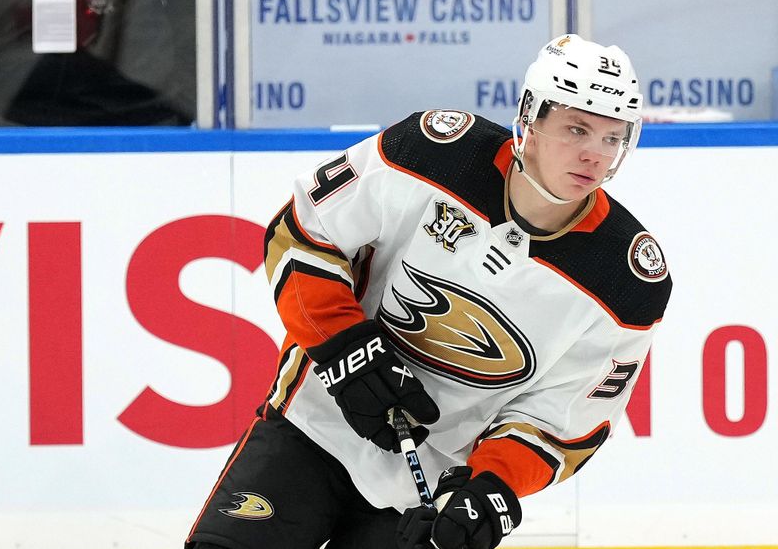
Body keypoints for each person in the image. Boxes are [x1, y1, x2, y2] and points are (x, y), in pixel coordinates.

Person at [185, 34, 672, 549]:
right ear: (530, 116)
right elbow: (301, 232)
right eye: (577, 128)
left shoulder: (626, 281)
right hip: (312, 424)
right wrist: (342, 344)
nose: (595, 154)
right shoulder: (431, 153)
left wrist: (490, 491)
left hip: (429, 495)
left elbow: (564, 422)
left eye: (612, 138)